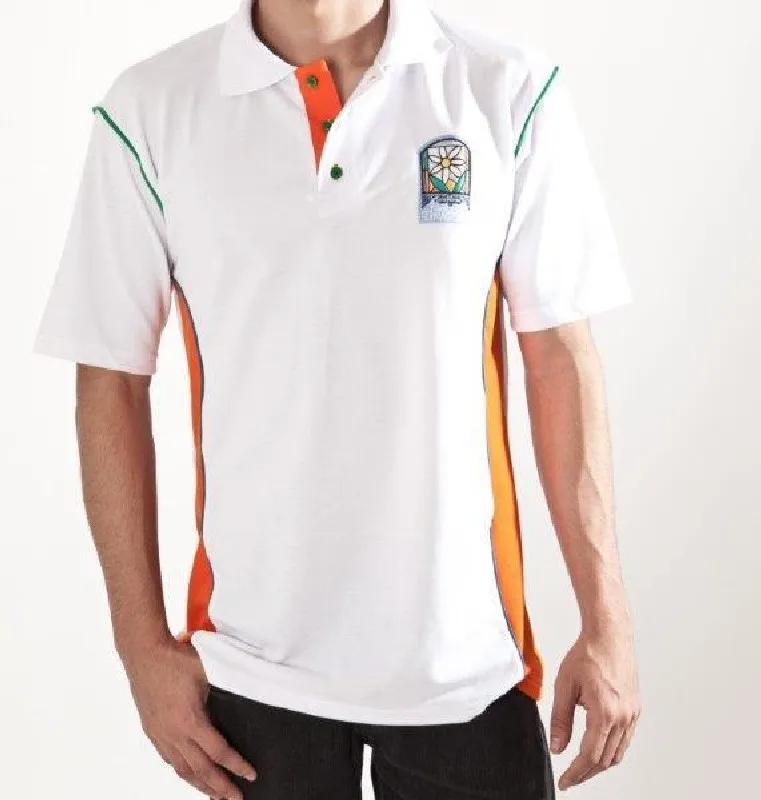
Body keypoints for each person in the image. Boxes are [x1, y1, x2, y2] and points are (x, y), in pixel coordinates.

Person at [33, 0, 641, 797]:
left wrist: (606, 621)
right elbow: (110, 381)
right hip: (251, 668)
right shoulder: (152, 107)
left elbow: (559, 361)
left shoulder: (506, 89)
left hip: (466, 664)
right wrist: (140, 647)